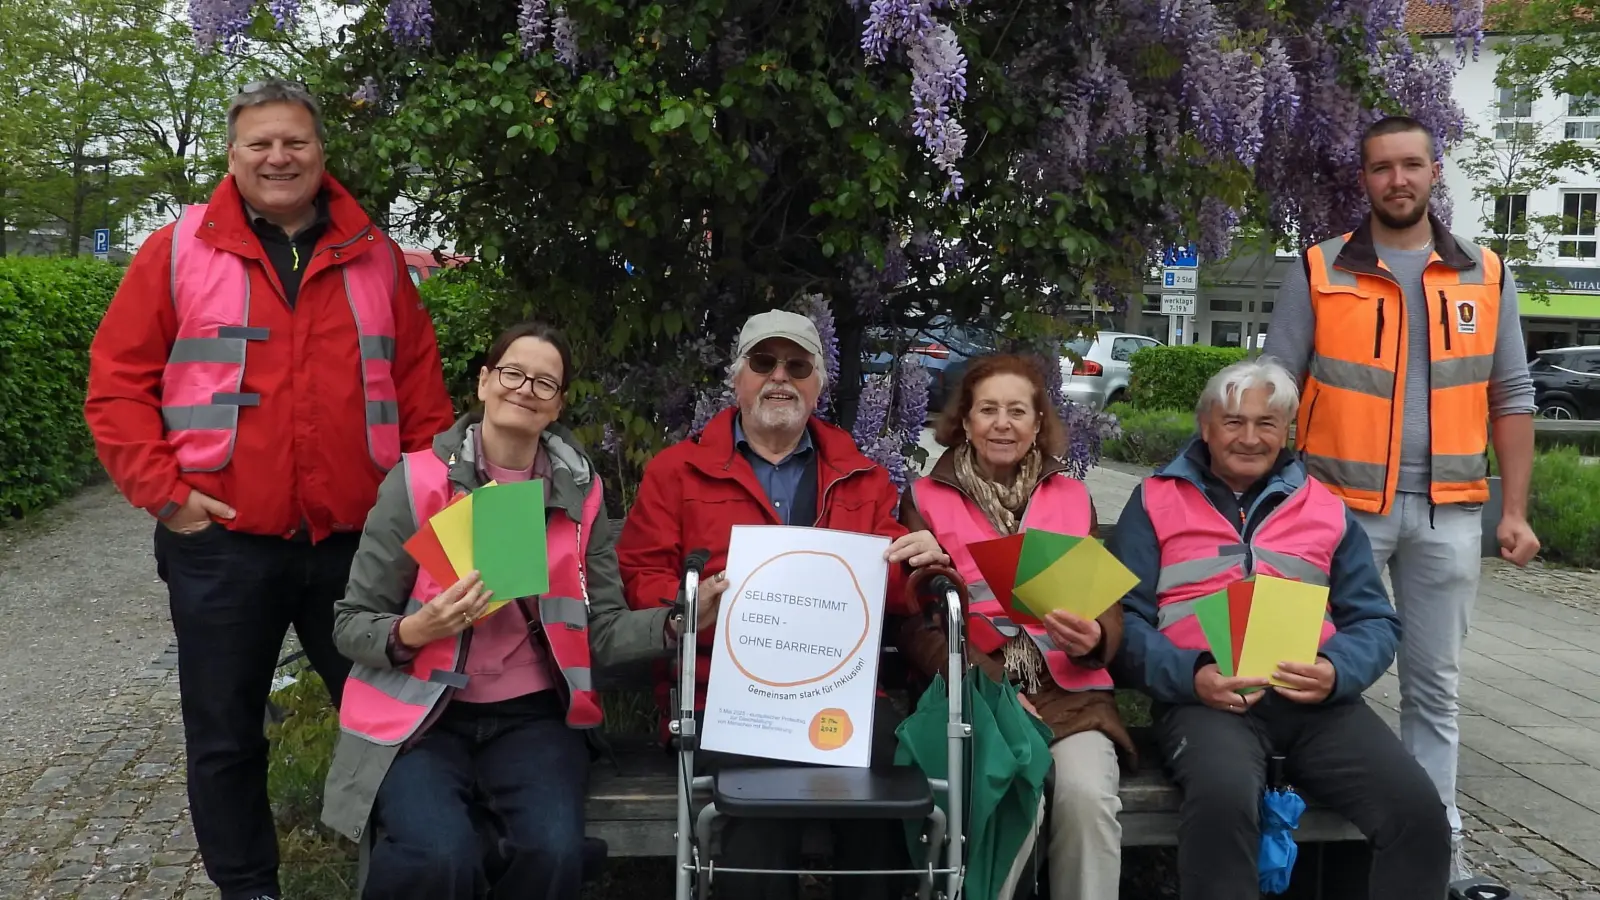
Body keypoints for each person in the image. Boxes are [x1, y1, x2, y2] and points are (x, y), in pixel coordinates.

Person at [83, 80, 455, 900]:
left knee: (394, 724)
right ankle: (248, 889)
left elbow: (423, 402)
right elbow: (115, 386)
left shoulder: (378, 255)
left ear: (322, 153)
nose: (278, 157)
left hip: (356, 552)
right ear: (233, 155)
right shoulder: (176, 249)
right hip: (219, 548)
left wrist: (431, 537)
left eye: (294, 142)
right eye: (260, 143)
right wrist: (165, 494)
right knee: (224, 740)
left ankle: (408, 874)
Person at [1263, 114, 1539, 878]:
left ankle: (1436, 855)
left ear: (1435, 170)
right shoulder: (1321, 268)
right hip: (1333, 511)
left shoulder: (1485, 272)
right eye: (1382, 168)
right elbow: (1276, 384)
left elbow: (1512, 397)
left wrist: (1512, 511)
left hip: (1450, 512)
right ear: (1363, 179)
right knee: (1295, 668)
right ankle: (1289, 837)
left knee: (1435, 690)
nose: (1398, 180)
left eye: (1411, 165)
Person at [320, 321, 683, 900]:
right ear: (484, 383)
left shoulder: (580, 491)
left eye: (545, 382)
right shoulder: (416, 481)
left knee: (553, 852)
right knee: (440, 855)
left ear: (559, 403)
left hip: (534, 718)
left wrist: (682, 620)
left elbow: (604, 630)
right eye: (513, 373)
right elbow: (349, 623)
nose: (526, 389)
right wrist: (417, 628)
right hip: (422, 719)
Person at [616, 309, 950, 900]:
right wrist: (691, 606)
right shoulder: (676, 472)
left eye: (798, 366)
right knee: (758, 832)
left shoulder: (863, 476)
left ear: (819, 383)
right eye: (764, 363)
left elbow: (894, 593)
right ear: (737, 377)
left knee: (885, 831)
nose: (780, 378)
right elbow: (642, 574)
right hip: (726, 698)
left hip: (840, 700)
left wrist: (922, 566)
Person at [1110, 357, 1451, 900]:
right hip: (1207, 702)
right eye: (1234, 421)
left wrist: (1335, 672)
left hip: (1316, 702)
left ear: (1287, 430)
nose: (1249, 437)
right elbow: (1122, 619)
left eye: (1266, 423)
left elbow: (1375, 621)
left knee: (1418, 813)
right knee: (1223, 802)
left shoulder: (1325, 508)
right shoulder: (1154, 501)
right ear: (1206, 427)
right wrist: (1192, 675)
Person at [895, 354, 1133, 900]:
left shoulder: (1072, 497)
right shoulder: (926, 498)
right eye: (988, 410)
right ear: (965, 421)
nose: (1003, 423)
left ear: (1037, 424)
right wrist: (988, 682)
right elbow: (918, 624)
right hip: (980, 696)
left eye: (1018, 411)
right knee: (1011, 803)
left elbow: (1105, 603)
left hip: (1067, 695)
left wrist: (1097, 637)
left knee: (1087, 800)